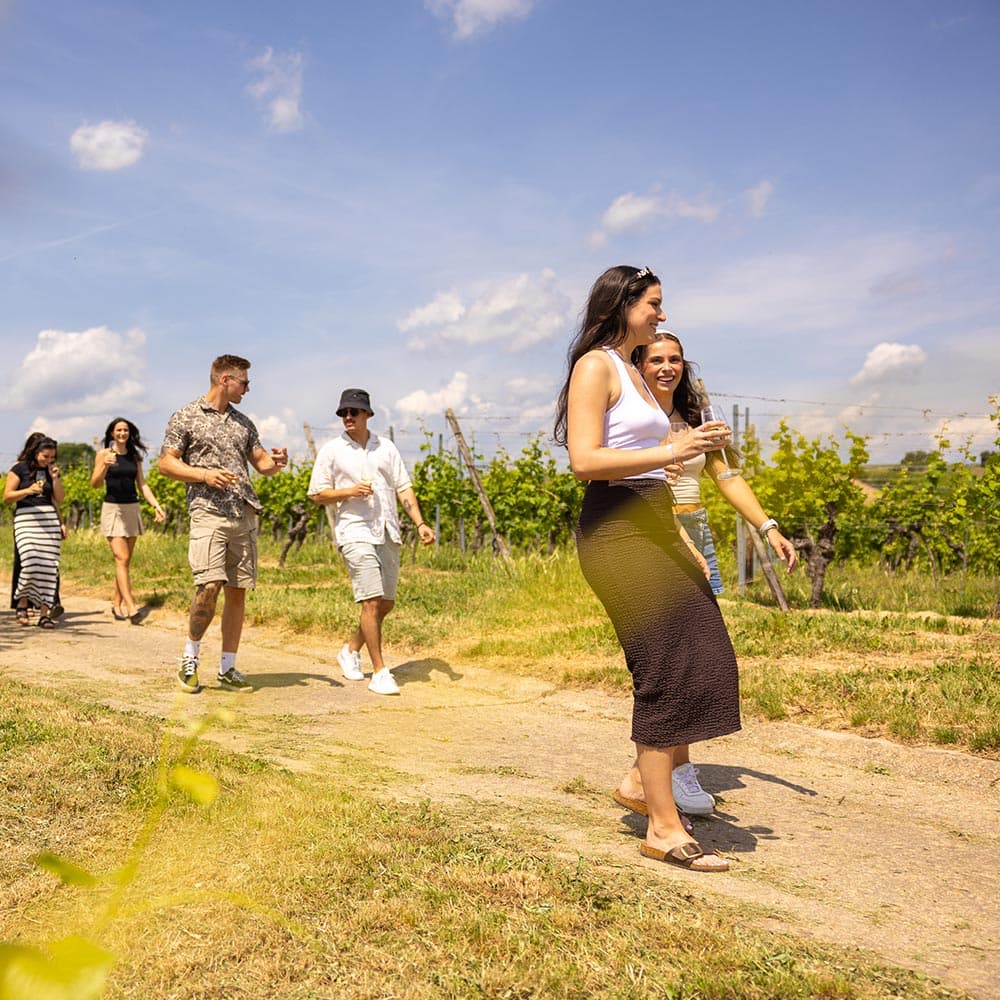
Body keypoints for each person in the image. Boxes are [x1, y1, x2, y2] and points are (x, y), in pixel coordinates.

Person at [554, 265, 740, 872]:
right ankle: (662, 827)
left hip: (655, 522)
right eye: (654, 304)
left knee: (705, 653)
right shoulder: (597, 366)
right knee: (663, 664)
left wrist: (679, 534)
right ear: (624, 303)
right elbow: (585, 461)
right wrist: (673, 448)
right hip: (616, 529)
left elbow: (647, 464)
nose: (662, 314)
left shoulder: (633, 369)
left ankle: (641, 780)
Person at [635, 331, 799, 815]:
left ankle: (667, 768)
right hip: (652, 532)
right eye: (656, 359)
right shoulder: (636, 420)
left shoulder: (695, 419)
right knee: (674, 655)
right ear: (639, 365)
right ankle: (665, 769)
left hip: (695, 528)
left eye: (675, 359)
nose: (667, 367)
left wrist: (768, 527)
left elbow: (727, 477)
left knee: (692, 653)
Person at [159, 355, 288, 694]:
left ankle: (228, 668)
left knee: (237, 591)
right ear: (224, 380)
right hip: (207, 512)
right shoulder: (186, 416)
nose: (248, 389)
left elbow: (260, 463)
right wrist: (203, 475)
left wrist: (276, 463)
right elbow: (166, 464)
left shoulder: (244, 423)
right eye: (244, 383)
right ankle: (190, 657)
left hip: (242, 514)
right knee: (210, 584)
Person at [308, 388, 435, 696]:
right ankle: (380, 672)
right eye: (343, 413)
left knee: (385, 603)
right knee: (371, 600)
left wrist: (420, 522)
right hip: (354, 531)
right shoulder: (332, 451)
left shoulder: (386, 448)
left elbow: (403, 487)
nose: (348, 417)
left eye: (353, 411)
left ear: (367, 414)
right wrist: (349, 492)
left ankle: (351, 650)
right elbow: (316, 494)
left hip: (387, 530)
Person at [90, 417, 166, 623]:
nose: (122, 433)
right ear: (112, 433)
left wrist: (156, 505)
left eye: (125, 430)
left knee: (124, 562)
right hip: (112, 509)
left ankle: (117, 604)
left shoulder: (134, 456)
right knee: (121, 558)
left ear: (129, 433)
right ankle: (131, 607)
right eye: (119, 430)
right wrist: (104, 466)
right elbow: (95, 484)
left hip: (132, 508)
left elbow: (142, 484)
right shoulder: (103, 454)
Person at [5, 433, 67, 629]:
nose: (48, 460)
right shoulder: (19, 469)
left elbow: (59, 498)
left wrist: (55, 479)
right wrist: (27, 491)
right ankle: (22, 603)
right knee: (30, 562)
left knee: (49, 566)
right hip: (26, 519)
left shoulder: (51, 471)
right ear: (35, 452)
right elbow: (7, 496)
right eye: (45, 456)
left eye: (52, 457)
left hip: (48, 520)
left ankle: (44, 614)